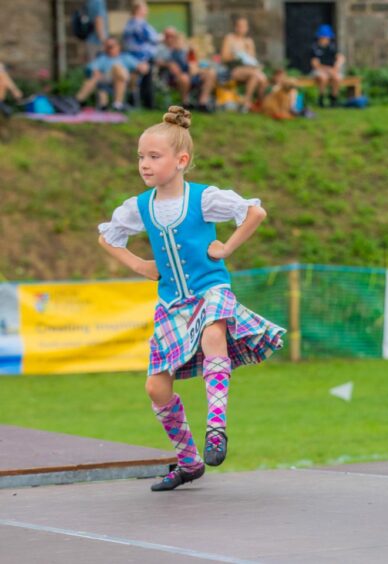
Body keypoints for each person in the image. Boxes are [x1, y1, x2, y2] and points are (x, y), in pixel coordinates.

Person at [97, 106, 285, 491]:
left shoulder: (203, 198)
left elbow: (255, 212)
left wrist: (227, 246)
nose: (145, 164)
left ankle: (216, 427)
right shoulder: (139, 206)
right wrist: (139, 264)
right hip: (171, 303)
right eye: (141, 157)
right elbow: (108, 237)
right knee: (155, 387)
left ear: (181, 161)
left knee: (213, 335)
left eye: (154, 156)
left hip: (209, 290)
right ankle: (188, 460)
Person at [76, 36, 150, 111]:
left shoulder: (126, 57)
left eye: (111, 46)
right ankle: (77, 101)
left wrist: (144, 67)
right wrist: (95, 70)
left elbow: (140, 67)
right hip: (108, 80)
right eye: (107, 46)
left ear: (118, 46)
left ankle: (117, 104)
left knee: (118, 70)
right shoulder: (103, 58)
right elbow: (90, 67)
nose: (108, 49)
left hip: (125, 81)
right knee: (96, 78)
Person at [156, 28, 217, 111]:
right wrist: (169, 64)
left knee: (211, 73)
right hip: (176, 77)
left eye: (180, 40)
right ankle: (185, 103)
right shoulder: (165, 50)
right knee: (184, 77)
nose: (170, 39)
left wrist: (200, 69)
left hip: (192, 74)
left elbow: (196, 63)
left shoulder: (188, 52)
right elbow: (157, 61)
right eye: (168, 36)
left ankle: (202, 103)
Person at [221, 16, 268, 112]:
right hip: (233, 69)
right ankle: (251, 103)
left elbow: (252, 60)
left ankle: (254, 104)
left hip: (249, 70)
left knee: (259, 77)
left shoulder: (249, 41)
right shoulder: (229, 38)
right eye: (239, 26)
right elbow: (224, 58)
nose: (242, 28)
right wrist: (237, 55)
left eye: (244, 26)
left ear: (247, 28)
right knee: (259, 76)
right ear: (235, 27)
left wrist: (248, 49)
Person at [122, 0, 158, 109]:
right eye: (145, 8)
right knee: (145, 82)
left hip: (136, 57)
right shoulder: (139, 24)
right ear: (138, 10)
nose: (147, 10)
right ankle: (148, 105)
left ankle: (136, 102)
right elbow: (153, 38)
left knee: (136, 81)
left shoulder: (130, 23)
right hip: (142, 58)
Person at [310, 24, 345, 108]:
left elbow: (341, 58)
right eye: (324, 37)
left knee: (336, 78)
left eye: (327, 37)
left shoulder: (332, 47)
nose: (326, 39)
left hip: (332, 70)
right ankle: (321, 99)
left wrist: (336, 67)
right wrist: (327, 69)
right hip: (320, 70)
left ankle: (334, 99)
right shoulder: (315, 48)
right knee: (323, 78)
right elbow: (315, 64)